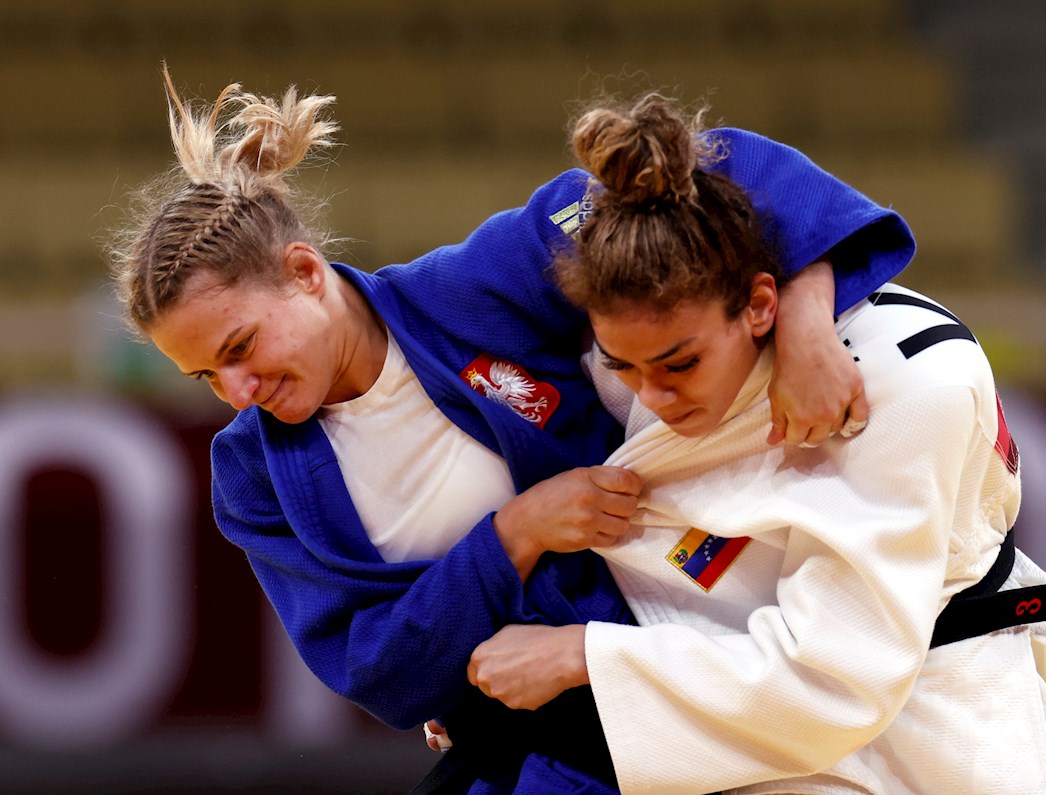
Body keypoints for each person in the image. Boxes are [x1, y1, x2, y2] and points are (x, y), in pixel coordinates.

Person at [105, 68, 916, 787]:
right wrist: (516, 533)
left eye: (240, 347)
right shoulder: (253, 475)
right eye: (206, 376)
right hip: (527, 743)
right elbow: (380, 669)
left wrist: (809, 316)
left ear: (305, 273)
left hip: (684, 664)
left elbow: (715, 172)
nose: (237, 392)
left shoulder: (475, 287)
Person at [465, 95, 1046, 794]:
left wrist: (581, 656)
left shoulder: (906, 390)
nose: (652, 395)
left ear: (760, 306)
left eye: (679, 364)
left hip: (931, 722)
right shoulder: (666, 344)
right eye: (623, 365)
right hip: (765, 698)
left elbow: (832, 682)